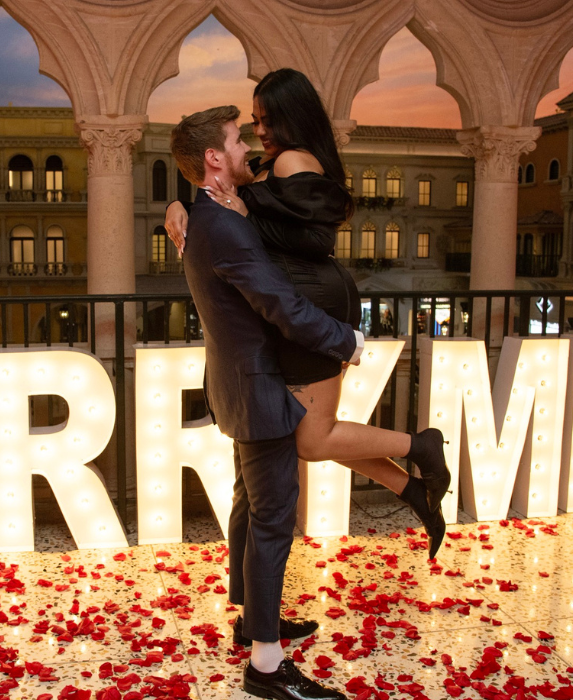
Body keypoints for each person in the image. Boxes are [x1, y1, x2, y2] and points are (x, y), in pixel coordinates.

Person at [166, 69, 450, 558]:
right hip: (304, 300)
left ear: (293, 116)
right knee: (311, 435)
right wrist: (181, 202)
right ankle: (415, 490)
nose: (259, 131)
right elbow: (220, 179)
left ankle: (419, 447)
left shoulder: (292, 160)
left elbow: (313, 238)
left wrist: (246, 213)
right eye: (254, 121)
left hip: (311, 302)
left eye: (268, 120)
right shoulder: (276, 161)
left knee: (312, 438)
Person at [170, 105, 357, 700]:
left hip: (237, 382)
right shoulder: (222, 226)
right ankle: (267, 666)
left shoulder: (207, 215)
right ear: (213, 159)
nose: (248, 146)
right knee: (274, 520)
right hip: (259, 388)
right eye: (236, 140)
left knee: (250, 504)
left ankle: (252, 622)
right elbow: (279, 303)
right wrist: (344, 341)